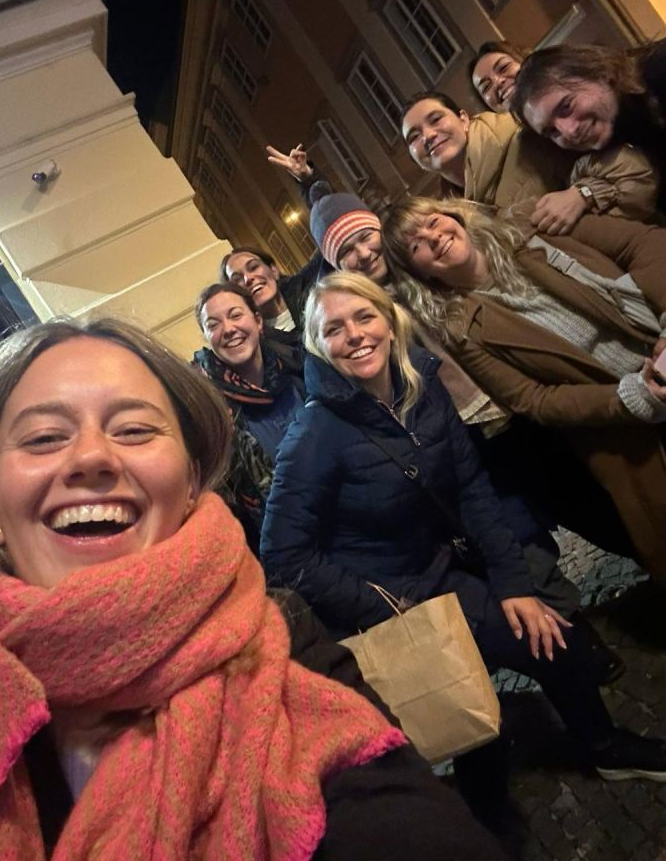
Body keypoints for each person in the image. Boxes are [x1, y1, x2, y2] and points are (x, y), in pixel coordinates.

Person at [0, 316, 512, 861]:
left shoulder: (283, 638)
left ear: (190, 484)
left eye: (134, 429)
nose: (91, 456)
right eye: (44, 438)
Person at [260, 272, 666, 785]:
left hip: (438, 567)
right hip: (387, 595)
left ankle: (603, 749)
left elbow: (472, 488)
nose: (355, 334)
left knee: (552, 640)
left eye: (364, 316)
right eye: (334, 328)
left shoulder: (421, 386)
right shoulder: (315, 433)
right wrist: (381, 605)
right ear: (319, 345)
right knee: (449, 710)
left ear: (389, 319)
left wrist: (514, 585)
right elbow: (282, 555)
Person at [382, 195, 666, 575]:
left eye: (433, 221)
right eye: (416, 244)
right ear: (418, 272)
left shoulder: (529, 224)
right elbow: (532, 399)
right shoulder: (461, 329)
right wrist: (630, 397)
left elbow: (642, 244)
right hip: (625, 417)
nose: (433, 237)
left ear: (452, 216)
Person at [402, 90, 658, 235]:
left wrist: (584, 194)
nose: (428, 136)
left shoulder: (524, 137)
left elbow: (633, 168)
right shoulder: (448, 218)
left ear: (463, 119)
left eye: (435, 119)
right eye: (414, 137)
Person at [469, 42, 660, 232]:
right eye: (551, 131)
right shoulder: (541, 145)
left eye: (566, 106)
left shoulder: (654, 73)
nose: (569, 131)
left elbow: (637, 173)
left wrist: (585, 193)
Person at [193, 282, 305, 552]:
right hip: (284, 548)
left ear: (257, 321)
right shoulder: (208, 414)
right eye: (213, 324)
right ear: (207, 337)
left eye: (235, 315)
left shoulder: (300, 367)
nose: (228, 329)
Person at [220, 245, 321, 335]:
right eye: (237, 280)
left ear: (274, 270)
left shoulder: (310, 283)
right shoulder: (256, 341)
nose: (248, 279)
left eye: (253, 267)